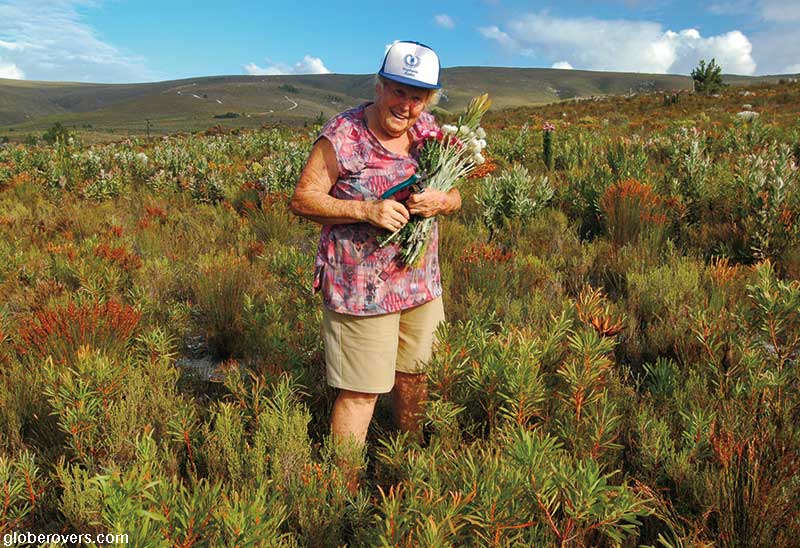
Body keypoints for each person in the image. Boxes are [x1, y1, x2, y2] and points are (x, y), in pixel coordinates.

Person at [289, 41, 461, 448]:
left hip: (419, 286)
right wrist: (367, 211)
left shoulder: (429, 132)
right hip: (360, 291)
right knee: (361, 391)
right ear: (380, 87)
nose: (405, 105)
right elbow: (303, 198)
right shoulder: (344, 134)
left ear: (428, 100)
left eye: (416, 97)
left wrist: (442, 201)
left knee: (416, 376)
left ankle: (408, 459)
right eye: (398, 91)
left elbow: (456, 197)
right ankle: (340, 492)